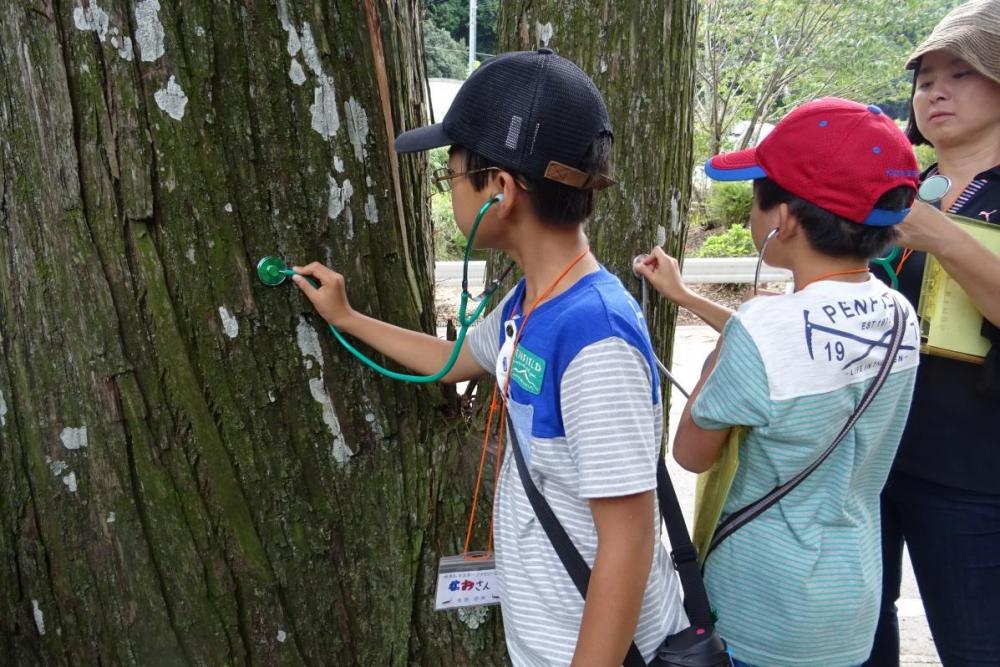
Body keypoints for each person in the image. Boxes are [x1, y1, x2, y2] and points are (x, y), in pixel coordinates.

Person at [291, 50, 686, 665]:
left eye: (450, 174)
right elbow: (454, 360)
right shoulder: (530, 301)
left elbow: (629, 543)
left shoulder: (594, 338)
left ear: (499, 190)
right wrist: (347, 318)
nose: (448, 187)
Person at [636, 98, 922, 667]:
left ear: (783, 219)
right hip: (850, 601)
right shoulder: (898, 316)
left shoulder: (763, 330)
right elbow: (804, 354)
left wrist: (725, 344)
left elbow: (691, 453)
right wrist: (694, 302)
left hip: (761, 607)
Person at [866, 2, 1000, 665]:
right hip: (872, 461)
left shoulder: (925, 208)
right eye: (924, 79)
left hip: (978, 477)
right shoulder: (900, 189)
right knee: (864, 635)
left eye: (961, 72)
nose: (936, 90)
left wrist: (937, 232)